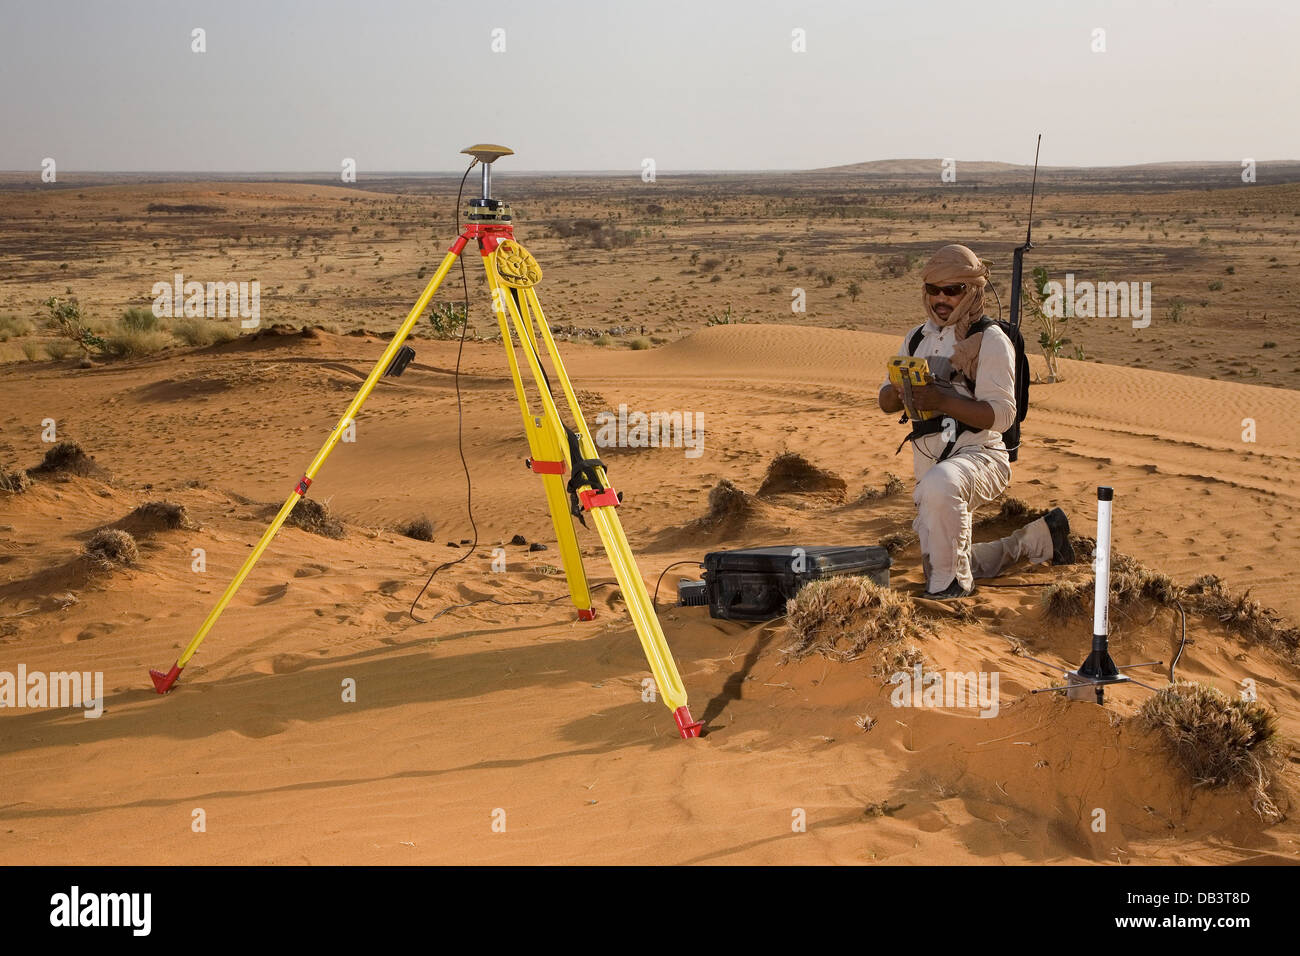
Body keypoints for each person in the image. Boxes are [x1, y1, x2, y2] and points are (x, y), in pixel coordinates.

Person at [877, 244, 1074, 598]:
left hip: (981, 455)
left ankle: (951, 593)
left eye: (953, 290)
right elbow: (884, 401)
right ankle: (1039, 539)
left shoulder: (992, 341)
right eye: (934, 289)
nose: (942, 298)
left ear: (973, 290)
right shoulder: (917, 337)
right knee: (944, 551)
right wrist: (897, 393)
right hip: (931, 463)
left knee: (941, 496)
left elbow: (1002, 415)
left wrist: (942, 400)